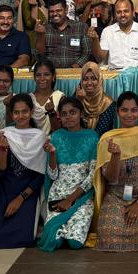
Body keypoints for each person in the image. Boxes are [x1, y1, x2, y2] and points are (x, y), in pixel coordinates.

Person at [94, 91, 138, 251]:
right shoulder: (108, 139)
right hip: (116, 197)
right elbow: (110, 178)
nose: (129, 114)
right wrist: (116, 156)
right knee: (108, 234)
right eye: (124, 110)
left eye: (134, 110)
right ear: (118, 112)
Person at [0, 94, 47, 249]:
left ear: (31, 111)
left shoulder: (40, 137)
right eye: (16, 112)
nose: (20, 116)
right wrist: (3, 150)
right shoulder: (4, 134)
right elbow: (0, 172)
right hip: (4, 189)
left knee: (21, 238)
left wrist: (20, 199)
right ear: (11, 114)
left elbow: (39, 176)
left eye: (25, 111)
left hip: (27, 191)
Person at [38, 96, 98, 252]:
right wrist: (52, 153)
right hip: (58, 195)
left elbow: (93, 175)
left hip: (81, 196)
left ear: (81, 114)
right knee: (54, 241)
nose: (69, 116)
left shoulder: (92, 137)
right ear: (59, 116)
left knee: (74, 243)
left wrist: (70, 200)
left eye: (73, 112)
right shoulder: (56, 136)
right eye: (64, 114)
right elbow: (52, 175)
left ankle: (70, 231)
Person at [95, 0, 138, 68]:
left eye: (126, 11)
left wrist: (137, 70)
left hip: (137, 72)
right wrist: (95, 40)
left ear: (133, 12)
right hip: (114, 73)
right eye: (119, 12)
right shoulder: (107, 31)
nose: (122, 15)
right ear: (115, 14)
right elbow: (100, 58)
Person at [35, 0, 90, 67]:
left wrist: (73, 68)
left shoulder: (81, 27)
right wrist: (40, 36)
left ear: (66, 10)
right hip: (51, 72)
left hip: (75, 71)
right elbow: (39, 55)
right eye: (51, 11)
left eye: (58, 10)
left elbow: (86, 53)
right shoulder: (44, 28)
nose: (55, 14)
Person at [76, 61, 116, 135]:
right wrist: (79, 102)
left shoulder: (108, 104)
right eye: (85, 79)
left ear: (99, 80)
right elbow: (72, 126)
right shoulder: (77, 98)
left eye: (93, 79)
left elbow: (100, 131)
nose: (89, 83)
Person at [31, 58, 64, 132]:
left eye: (46, 74)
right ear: (34, 78)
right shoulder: (29, 99)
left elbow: (62, 130)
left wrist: (52, 113)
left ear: (53, 76)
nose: (42, 78)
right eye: (38, 75)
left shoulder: (60, 97)